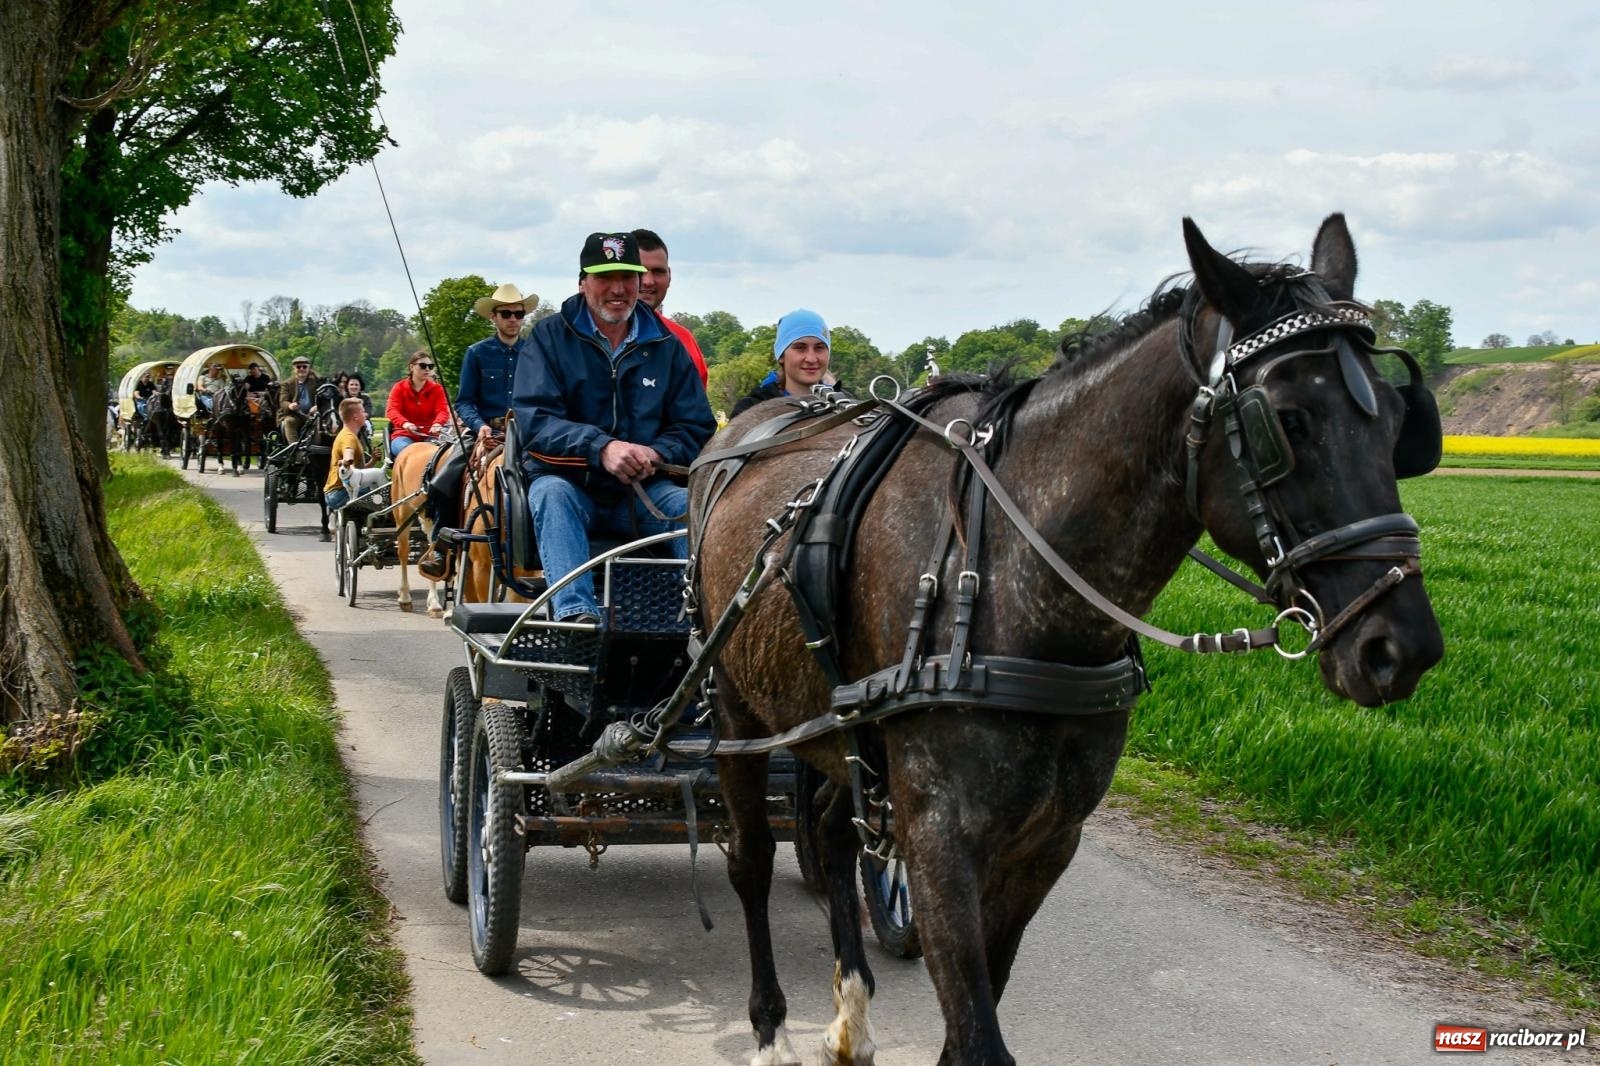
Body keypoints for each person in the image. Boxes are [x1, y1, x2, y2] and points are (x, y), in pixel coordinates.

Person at [512, 231, 715, 624]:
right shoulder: (549, 338)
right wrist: (602, 449)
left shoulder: (667, 345)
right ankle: (575, 617)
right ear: (583, 282)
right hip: (569, 484)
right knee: (550, 494)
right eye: (605, 278)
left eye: (628, 277)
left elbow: (696, 426)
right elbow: (535, 421)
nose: (618, 289)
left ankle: (700, 621)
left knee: (692, 511)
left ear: (640, 282)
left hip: (644, 493)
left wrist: (656, 453)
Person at [457, 282, 538, 444]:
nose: (513, 319)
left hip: (528, 434)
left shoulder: (535, 353)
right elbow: (463, 402)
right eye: (506, 314)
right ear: (493, 317)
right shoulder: (476, 353)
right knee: (452, 467)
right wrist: (479, 425)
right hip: (486, 433)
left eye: (519, 314)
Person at [730, 309, 843, 417]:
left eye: (820, 348)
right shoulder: (751, 410)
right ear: (781, 356)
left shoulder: (846, 406)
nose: (811, 359)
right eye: (800, 348)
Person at [633, 229, 708, 385]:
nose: (648, 281)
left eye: (658, 272)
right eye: (639, 272)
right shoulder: (586, 338)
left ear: (669, 276)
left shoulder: (683, 342)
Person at [385, 350, 450, 458]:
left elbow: (442, 410)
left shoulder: (438, 389)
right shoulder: (399, 387)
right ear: (411, 367)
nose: (427, 369)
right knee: (412, 454)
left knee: (441, 456)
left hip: (430, 435)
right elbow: (392, 410)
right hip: (403, 435)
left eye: (430, 366)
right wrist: (405, 424)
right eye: (423, 366)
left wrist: (437, 423)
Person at [322, 397, 382, 513]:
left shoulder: (349, 435)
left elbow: (357, 472)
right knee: (383, 494)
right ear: (355, 417)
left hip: (336, 492)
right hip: (339, 493)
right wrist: (348, 459)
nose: (366, 414)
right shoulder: (348, 438)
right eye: (363, 411)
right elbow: (348, 457)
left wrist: (373, 461)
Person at [278, 357, 321, 442]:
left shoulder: (315, 382)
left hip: (312, 416)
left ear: (308, 368)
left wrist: (317, 406)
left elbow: (322, 397)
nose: (301, 369)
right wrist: (290, 405)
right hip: (295, 415)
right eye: (298, 367)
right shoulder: (287, 383)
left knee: (320, 423)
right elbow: (283, 401)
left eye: (304, 367)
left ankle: (315, 449)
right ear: (294, 369)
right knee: (289, 421)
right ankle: (296, 450)